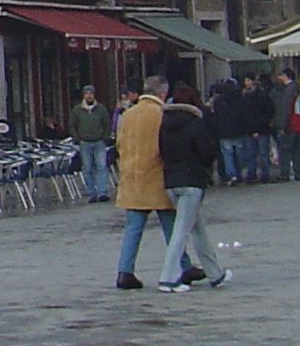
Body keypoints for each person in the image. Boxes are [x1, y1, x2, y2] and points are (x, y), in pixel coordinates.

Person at [156, 81, 227, 292]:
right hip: (192, 181)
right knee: (182, 231)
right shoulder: (195, 123)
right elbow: (206, 151)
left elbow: (162, 151)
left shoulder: (164, 124)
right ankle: (168, 278)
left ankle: (215, 274)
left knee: (197, 228)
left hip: (171, 181)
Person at [112, 77, 174, 291]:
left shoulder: (127, 115)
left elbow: (119, 144)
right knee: (171, 226)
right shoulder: (160, 114)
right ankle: (181, 266)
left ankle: (124, 271)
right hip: (157, 177)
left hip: (131, 178)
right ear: (162, 94)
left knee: (133, 228)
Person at [70, 86, 113, 202]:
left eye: (91, 94)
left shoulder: (101, 109)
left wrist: (105, 136)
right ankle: (91, 193)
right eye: (87, 94)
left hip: (99, 141)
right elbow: (72, 125)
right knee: (87, 168)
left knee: (101, 166)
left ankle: (102, 192)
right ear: (83, 96)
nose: (89, 96)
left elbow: (107, 123)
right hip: (85, 142)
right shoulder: (77, 110)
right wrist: (77, 138)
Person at [240, 74, 278, 182]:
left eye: (248, 80)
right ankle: (251, 174)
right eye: (245, 81)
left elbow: (269, 111)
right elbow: (243, 115)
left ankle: (265, 174)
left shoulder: (262, 95)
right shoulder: (244, 97)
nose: (246, 83)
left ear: (253, 82)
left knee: (263, 153)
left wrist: (260, 127)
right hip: (249, 130)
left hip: (262, 129)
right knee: (251, 154)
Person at [277, 69, 300, 182]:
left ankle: (285, 173)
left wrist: (282, 126)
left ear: (286, 76)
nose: (279, 78)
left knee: (285, 150)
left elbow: (286, 110)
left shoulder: (288, 91)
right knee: (298, 151)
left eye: (281, 75)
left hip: (291, 124)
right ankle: (298, 173)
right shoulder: (299, 89)